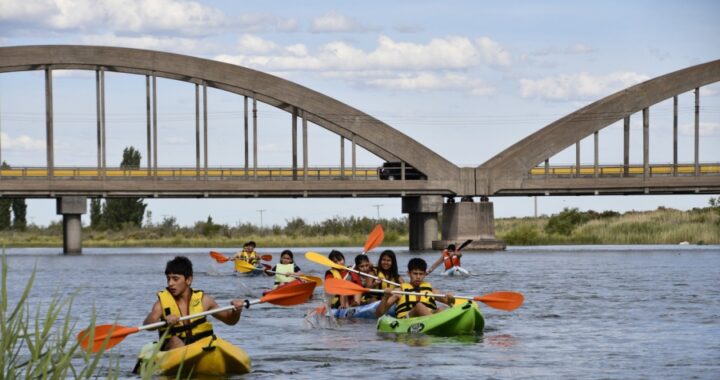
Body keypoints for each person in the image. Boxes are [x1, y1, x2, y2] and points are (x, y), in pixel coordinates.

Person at [143, 256, 245, 350]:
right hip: (173, 349)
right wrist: (165, 320)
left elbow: (230, 321)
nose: (170, 283)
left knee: (214, 341)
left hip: (200, 347)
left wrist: (236, 310)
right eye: (168, 279)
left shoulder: (204, 300)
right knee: (175, 341)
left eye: (175, 279)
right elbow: (148, 323)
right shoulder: (161, 303)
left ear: (188, 280)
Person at [376, 258, 454, 318]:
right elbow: (379, 314)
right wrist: (385, 297)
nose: (418, 277)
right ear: (409, 273)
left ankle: (435, 322)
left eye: (421, 274)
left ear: (424, 274)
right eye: (415, 273)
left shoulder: (432, 291)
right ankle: (435, 323)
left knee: (442, 308)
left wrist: (451, 298)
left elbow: (450, 303)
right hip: (407, 320)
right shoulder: (399, 292)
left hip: (427, 317)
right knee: (419, 306)